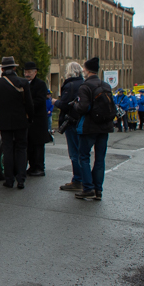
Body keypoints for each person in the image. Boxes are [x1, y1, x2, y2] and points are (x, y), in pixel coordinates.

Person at [0, 56, 33, 189]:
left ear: (2, 69)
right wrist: (30, 118)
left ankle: (9, 179)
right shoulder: (23, 82)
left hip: (4, 120)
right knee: (21, 148)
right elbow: (29, 104)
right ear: (14, 68)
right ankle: (21, 179)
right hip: (21, 120)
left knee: (7, 149)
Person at [71, 57, 112, 200]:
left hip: (89, 127)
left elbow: (83, 108)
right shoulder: (106, 86)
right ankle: (98, 189)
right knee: (100, 159)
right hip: (104, 126)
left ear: (87, 70)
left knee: (84, 156)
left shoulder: (85, 86)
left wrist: (75, 105)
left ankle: (88, 187)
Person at [55, 61, 85, 192]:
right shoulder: (84, 84)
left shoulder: (70, 85)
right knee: (83, 152)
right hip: (82, 121)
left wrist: (56, 102)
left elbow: (66, 105)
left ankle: (78, 179)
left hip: (71, 121)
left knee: (74, 153)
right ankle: (85, 179)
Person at [23, 61, 52, 176]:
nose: (27, 74)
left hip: (38, 119)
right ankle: (32, 166)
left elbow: (40, 100)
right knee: (29, 144)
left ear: (35, 72)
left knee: (38, 145)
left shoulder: (40, 84)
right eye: (25, 72)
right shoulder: (24, 83)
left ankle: (39, 167)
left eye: (29, 72)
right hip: (29, 119)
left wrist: (27, 105)